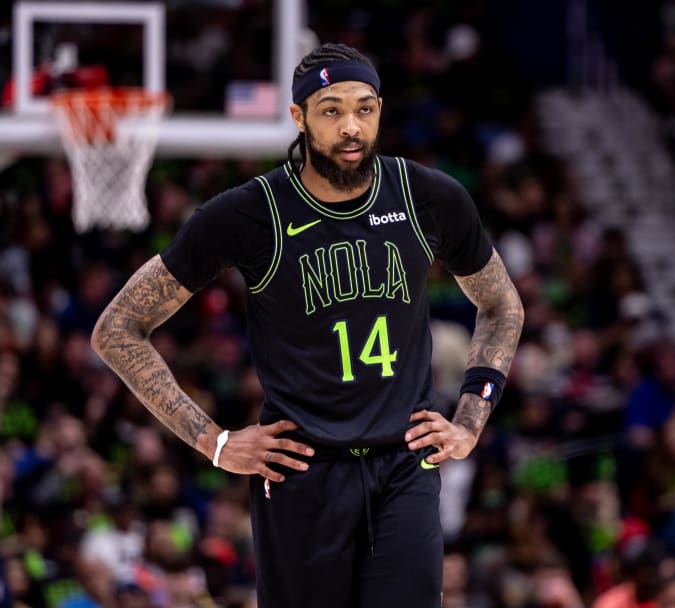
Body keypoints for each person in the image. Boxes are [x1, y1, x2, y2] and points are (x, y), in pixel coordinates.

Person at [91, 43, 524, 607]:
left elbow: (502, 305)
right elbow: (118, 327)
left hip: (404, 468)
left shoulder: (429, 198)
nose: (351, 127)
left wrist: (469, 421)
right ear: (298, 117)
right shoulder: (251, 212)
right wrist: (213, 442)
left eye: (365, 109)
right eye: (331, 110)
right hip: (302, 474)